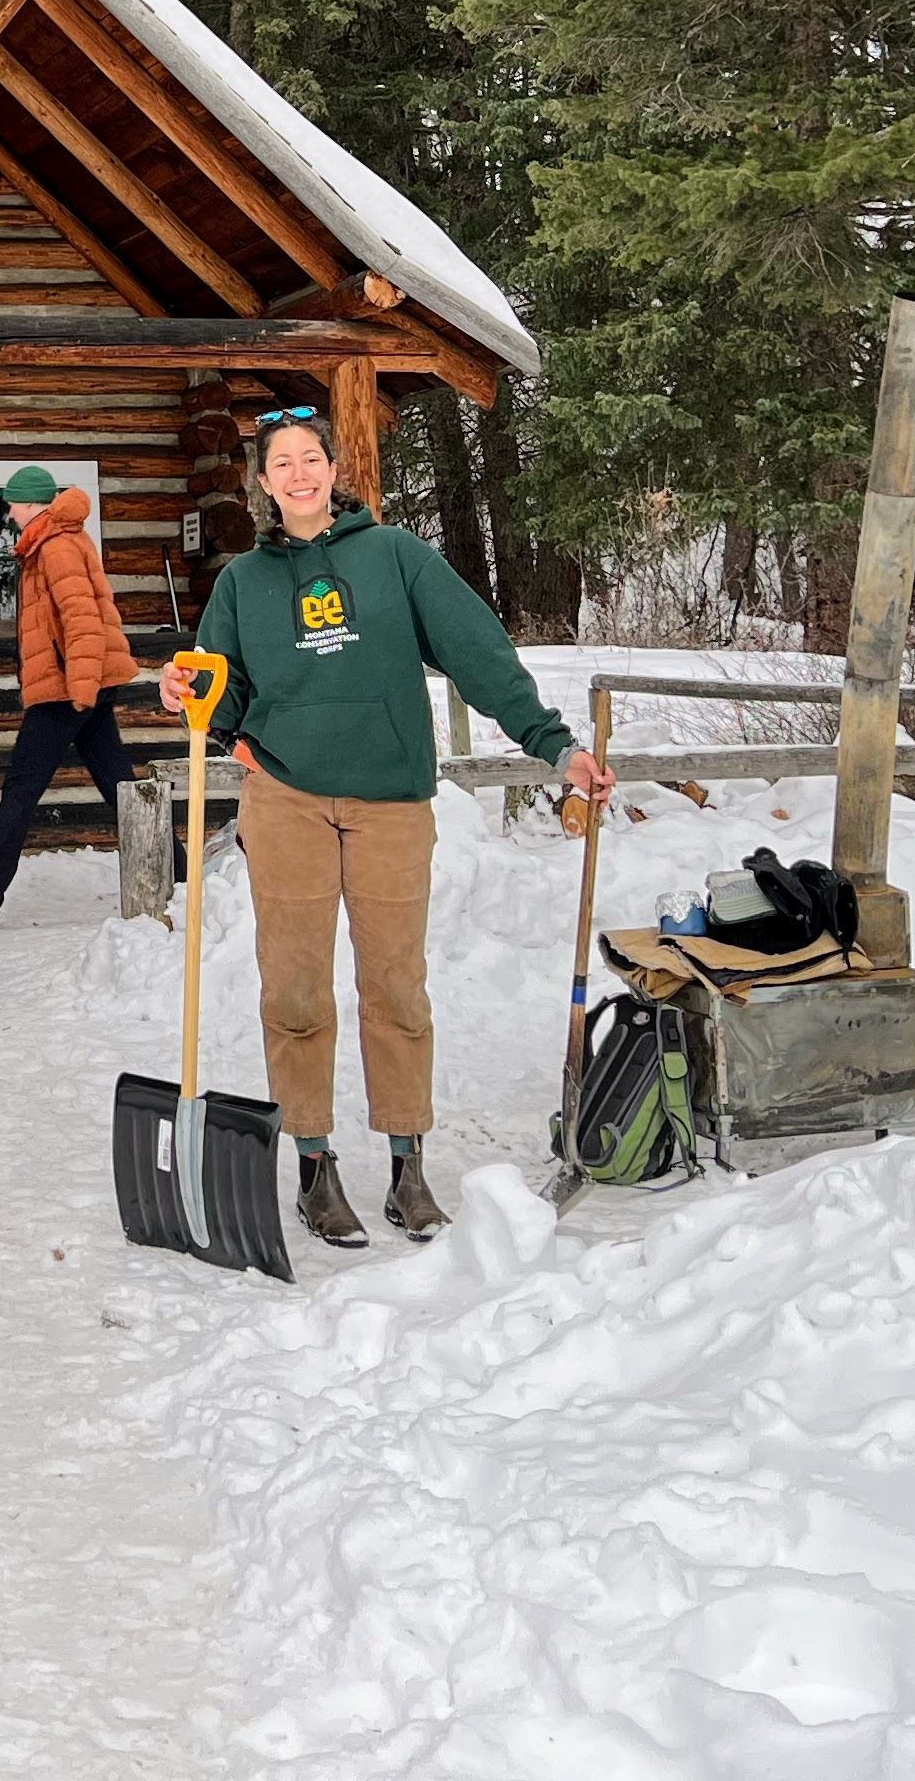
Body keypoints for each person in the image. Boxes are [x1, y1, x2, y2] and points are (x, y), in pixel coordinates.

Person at [160, 411, 607, 1249]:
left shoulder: (397, 557)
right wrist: (186, 692)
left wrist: (554, 744)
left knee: (396, 988)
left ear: (334, 469)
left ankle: (407, 1167)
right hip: (285, 800)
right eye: (281, 464)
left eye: (311, 459)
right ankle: (315, 1166)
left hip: (391, 802)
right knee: (293, 990)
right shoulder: (240, 585)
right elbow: (214, 688)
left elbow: (479, 653)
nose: (298, 475)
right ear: (262, 482)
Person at [0, 464, 136, 921]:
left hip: (70, 689)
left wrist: (81, 690)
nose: (8, 513)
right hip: (82, 686)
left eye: (12, 504)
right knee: (120, 786)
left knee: (21, 790)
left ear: (30, 504)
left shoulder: (57, 546)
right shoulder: (52, 542)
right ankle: (180, 876)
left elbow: (82, 621)